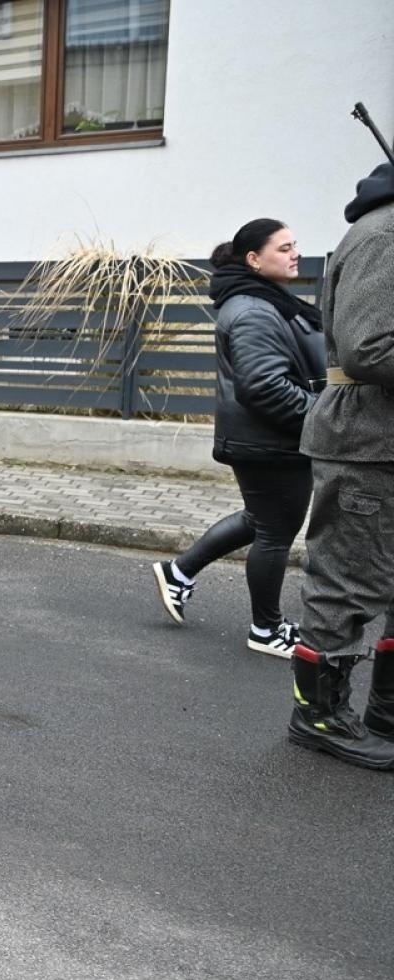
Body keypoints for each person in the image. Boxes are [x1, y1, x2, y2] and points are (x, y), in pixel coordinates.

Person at [150, 219, 325, 658]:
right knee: (275, 531)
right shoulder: (251, 310)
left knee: (261, 519)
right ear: (254, 259)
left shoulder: (265, 300)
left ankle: (179, 572)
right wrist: (324, 417)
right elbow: (263, 386)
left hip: (266, 438)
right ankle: (265, 629)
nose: (294, 253)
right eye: (284, 247)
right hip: (270, 441)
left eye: (294, 245)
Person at [285, 161, 394, 770]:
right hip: (366, 440)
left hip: (384, 440)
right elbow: (368, 346)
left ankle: (386, 708)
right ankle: (319, 716)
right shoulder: (385, 236)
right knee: (346, 583)